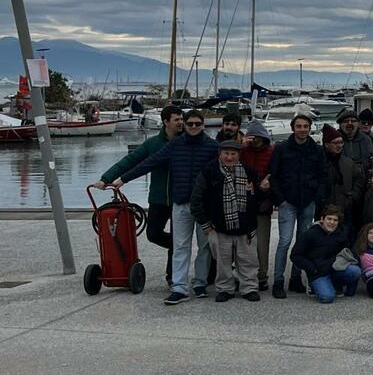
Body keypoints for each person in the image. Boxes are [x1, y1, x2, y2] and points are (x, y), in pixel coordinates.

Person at [111, 108, 218, 305]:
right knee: (180, 246)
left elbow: (225, 169)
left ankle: (200, 283)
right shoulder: (175, 145)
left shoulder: (213, 147)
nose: (193, 127)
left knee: (205, 246)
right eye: (190, 123)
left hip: (205, 205)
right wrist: (123, 178)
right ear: (185, 125)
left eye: (198, 124)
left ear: (203, 125)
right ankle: (179, 287)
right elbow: (150, 162)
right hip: (181, 203)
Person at [99, 104, 183, 284]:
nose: (180, 123)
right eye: (177, 119)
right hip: (158, 199)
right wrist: (106, 178)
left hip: (180, 199)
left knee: (177, 238)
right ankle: (180, 247)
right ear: (166, 122)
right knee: (153, 234)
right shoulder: (153, 144)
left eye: (181, 119)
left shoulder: (186, 142)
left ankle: (173, 277)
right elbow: (130, 161)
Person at [189, 138, 265, 302]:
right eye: (226, 153)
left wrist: (262, 190)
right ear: (220, 154)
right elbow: (196, 200)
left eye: (233, 154)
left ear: (239, 155)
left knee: (248, 261)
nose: (229, 157)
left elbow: (258, 198)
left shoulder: (250, 172)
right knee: (222, 263)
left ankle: (249, 288)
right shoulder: (209, 171)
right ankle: (225, 289)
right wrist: (205, 224)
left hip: (246, 227)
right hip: (219, 227)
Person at [267, 112, 330, 299]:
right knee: (284, 242)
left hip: (308, 202)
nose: (302, 129)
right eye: (299, 126)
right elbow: (273, 175)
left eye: (305, 126)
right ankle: (278, 280)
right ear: (293, 128)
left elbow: (323, 175)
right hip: (287, 202)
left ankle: (296, 278)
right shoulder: (281, 148)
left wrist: (316, 198)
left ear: (310, 128)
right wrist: (280, 200)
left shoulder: (317, 150)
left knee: (303, 242)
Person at [291, 205, 361, 304]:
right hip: (317, 273)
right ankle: (314, 285)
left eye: (335, 220)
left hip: (335, 269)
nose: (332, 222)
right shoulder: (310, 234)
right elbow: (295, 255)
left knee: (355, 271)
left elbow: (349, 252)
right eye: (329, 219)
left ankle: (336, 284)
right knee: (327, 297)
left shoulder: (340, 235)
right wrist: (311, 268)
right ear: (322, 219)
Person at [238, 120, 274, 292]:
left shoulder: (272, 152)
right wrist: (241, 146)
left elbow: (276, 174)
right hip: (243, 202)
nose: (256, 140)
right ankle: (245, 275)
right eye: (252, 137)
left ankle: (262, 276)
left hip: (263, 203)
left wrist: (269, 192)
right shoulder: (242, 151)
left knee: (262, 244)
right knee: (243, 243)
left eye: (258, 136)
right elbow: (225, 161)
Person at [322, 124, 364, 228]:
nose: (339, 145)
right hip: (324, 209)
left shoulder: (349, 163)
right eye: (336, 143)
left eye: (341, 142)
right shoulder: (320, 163)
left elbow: (358, 181)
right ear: (326, 144)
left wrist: (352, 197)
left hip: (345, 208)